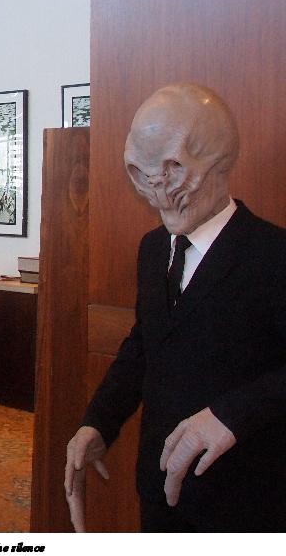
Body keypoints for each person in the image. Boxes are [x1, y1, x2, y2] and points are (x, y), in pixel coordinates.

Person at [64, 83, 286, 532]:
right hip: (160, 494)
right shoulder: (152, 250)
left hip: (246, 503)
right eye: (143, 172)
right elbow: (145, 344)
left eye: (174, 168)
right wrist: (98, 423)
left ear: (219, 160)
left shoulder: (272, 255)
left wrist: (231, 415)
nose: (158, 188)